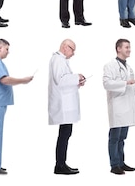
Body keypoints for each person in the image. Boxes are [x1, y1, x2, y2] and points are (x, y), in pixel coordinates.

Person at [0, 39, 34, 174]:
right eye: (6, 49)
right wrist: (23, 80)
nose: (8, 52)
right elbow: (4, 79)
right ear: (0, 48)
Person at [103, 39, 135, 175]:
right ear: (118, 49)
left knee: (122, 138)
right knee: (115, 137)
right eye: (126, 47)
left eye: (129, 47)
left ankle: (121, 163)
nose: (129, 50)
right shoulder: (109, 65)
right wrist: (125, 82)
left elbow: (132, 89)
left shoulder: (129, 68)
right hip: (117, 106)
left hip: (127, 107)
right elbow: (107, 84)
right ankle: (114, 165)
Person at [48, 39, 86, 175]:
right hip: (62, 105)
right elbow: (60, 79)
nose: (73, 53)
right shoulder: (57, 60)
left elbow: (65, 80)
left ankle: (62, 164)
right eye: (72, 49)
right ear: (65, 47)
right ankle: (60, 165)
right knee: (64, 135)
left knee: (65, 134)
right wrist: (77, 77)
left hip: (66, 105)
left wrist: (77, 82)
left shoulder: (62, 60)